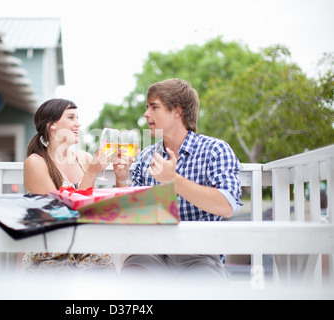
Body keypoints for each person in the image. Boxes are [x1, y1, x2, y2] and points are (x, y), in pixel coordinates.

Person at [114, 78, 242, 281]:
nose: (146, 114)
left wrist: (172, 180)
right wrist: (121, 180)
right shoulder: (146, 156)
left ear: (177, 112)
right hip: (152, 252)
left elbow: (227, 205)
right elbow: (131, 212)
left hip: (199, 256)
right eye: (147, 107)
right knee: (132, 278)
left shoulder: (215, 150)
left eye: (154, 107)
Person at [22, 98, 115, 274]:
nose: (78, 124)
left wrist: (120, 172)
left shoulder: (85, 159)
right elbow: (61, 215)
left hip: (86, 246)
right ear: (52, 125)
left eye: (77, 118)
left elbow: (90, 208)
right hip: (51, 250)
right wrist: (91, 173)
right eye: (71, 117)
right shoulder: (35, 162)